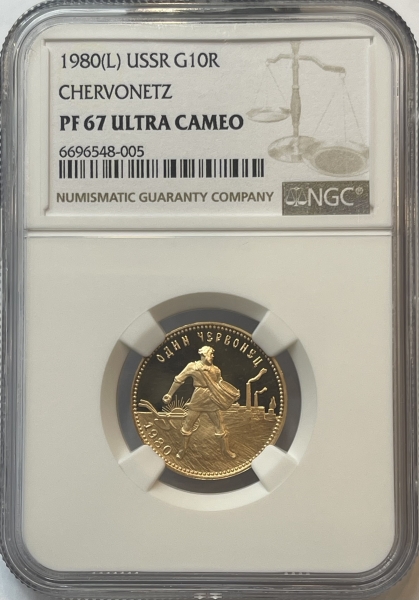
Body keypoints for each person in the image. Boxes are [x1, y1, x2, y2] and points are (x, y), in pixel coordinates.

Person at [163, 346, 239, 459]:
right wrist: (169, 394)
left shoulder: (216, 370)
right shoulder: (192, 366)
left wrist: (229, 393)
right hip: (198, 398)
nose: (213, 356)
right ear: (204, 354)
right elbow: (179, 380)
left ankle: (226, 451)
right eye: (211, 354)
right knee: (187, 425)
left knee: (220, 426)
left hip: (212, 399)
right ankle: (182, 450)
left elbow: (220, 385)